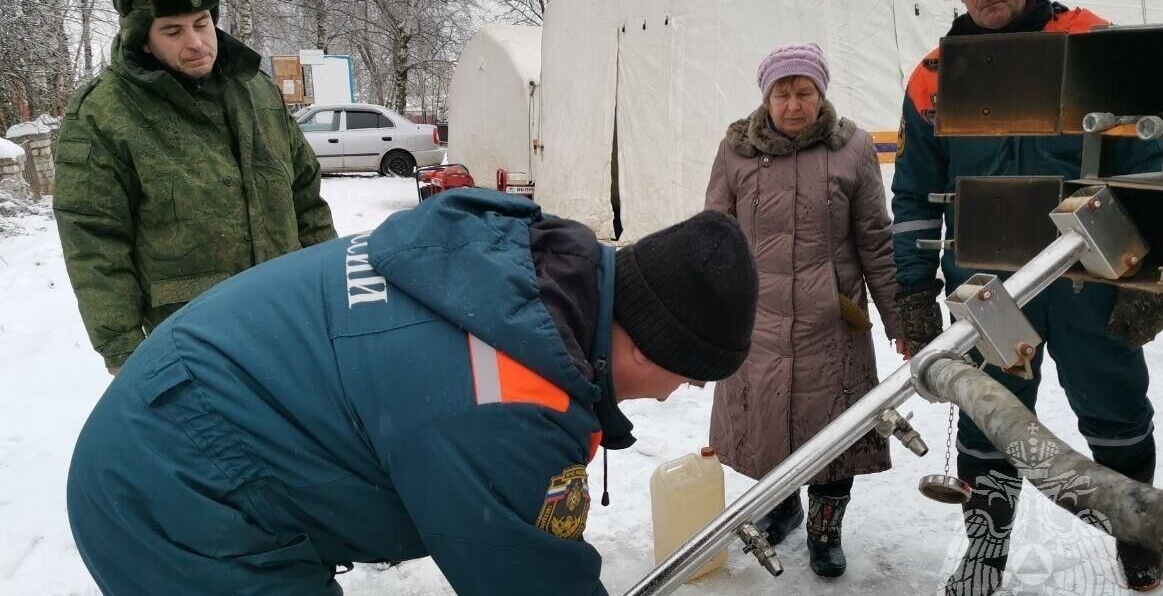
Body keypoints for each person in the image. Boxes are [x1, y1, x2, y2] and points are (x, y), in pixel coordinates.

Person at [66, 188, 758, 595]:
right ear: (643, 343)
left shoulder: (520, 275)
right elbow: (525, 580)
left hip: (187, 409)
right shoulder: (508, 396)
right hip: (174, 488)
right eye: (689, 372)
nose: (681, 393)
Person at [892, 0, 1163, 595]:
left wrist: (1157, 278)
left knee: (1113, 407)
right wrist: (912, 290)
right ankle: (986, 545)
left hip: (1091, 275)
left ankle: (1134, 530)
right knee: (989, 418)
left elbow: (1152, 163)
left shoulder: (1091, 44)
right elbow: (914, 193)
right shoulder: (935, 75)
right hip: (986, 285)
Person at [53, 0, 336, 374]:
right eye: (173, 31)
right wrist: (123, 349)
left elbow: (305, 196)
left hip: (291, 318)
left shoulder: (257, 91)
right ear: (142, 40)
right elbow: (94, 238)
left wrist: (330, 285)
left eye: (201, 23)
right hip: (193, 338)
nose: (197, 43)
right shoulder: (103, 113)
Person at [705, 42, 902, 578]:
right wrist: (707, 316)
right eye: (782, 93)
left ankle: (825, 529)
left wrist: (899, 321)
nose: (793, 104)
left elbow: (875, 241)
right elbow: (712, 237)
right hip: (758, 320)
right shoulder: (736, 151)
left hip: (831, 321)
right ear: (766, 97)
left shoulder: (853, 148)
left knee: (835, 431)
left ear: (822, 95)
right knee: (766, 426)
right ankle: (782, 505)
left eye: (804, 92)